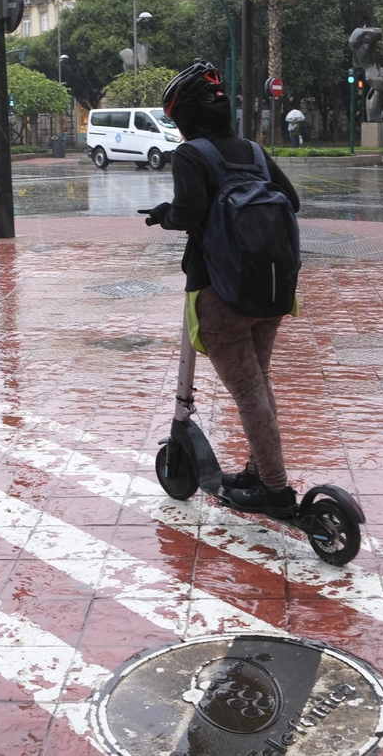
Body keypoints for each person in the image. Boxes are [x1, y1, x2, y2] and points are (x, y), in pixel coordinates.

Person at [141, 62, 303, 516]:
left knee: (249, 391)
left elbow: (188, 214)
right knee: (259, 383)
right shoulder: (252, 150)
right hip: (271, 289)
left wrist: (166, 214)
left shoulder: (192, 155)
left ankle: (275, 490)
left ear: (186, 117)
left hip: (220, 292)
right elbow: (290, 201)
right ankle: (256, 471)